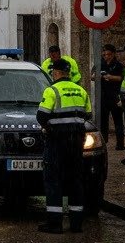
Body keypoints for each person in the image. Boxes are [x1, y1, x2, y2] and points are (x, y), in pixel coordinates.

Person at [36, 58, 91, 233]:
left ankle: (55, 224)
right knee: (75, 181)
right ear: (68, 72)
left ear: (56, 73)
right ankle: (76, 223)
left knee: (53, 181)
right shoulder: (81, 90)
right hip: (76, 143)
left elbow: (41, 116)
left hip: (56, 142)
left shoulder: (52, 91)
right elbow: (87, 115)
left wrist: (51, 127)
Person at [95, 43, 125, 151]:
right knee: (103, 121)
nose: (106, 57)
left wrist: (110, 77)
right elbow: (92, 75)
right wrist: (97, 76)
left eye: (108, 54)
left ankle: (120, 144)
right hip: (103, 96)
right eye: (104, 55)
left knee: (118, 121)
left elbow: (121, 78)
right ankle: (104, 142)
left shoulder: (118, 65)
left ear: (113, 54)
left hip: (115, 96)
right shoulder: (100, 64)